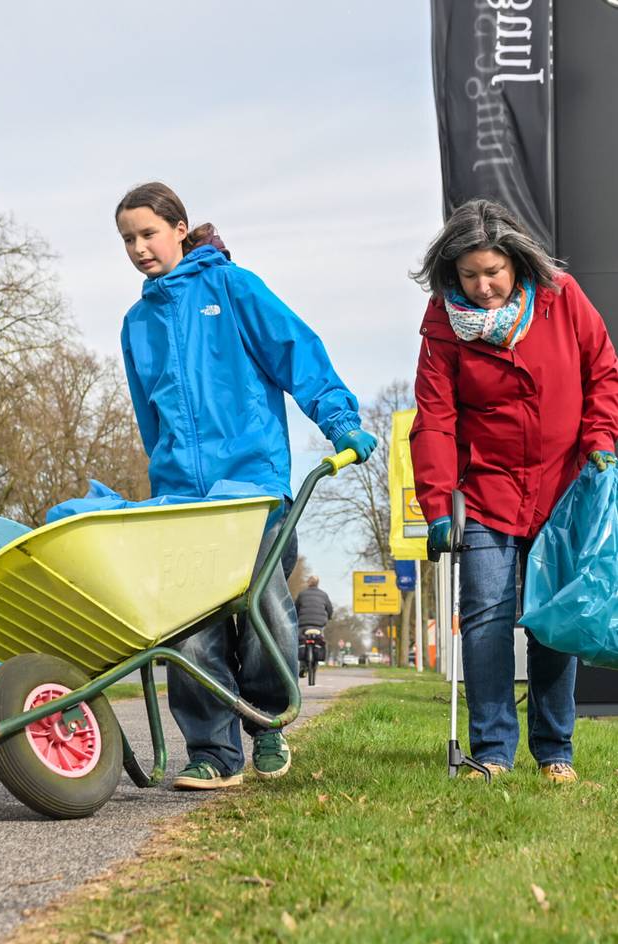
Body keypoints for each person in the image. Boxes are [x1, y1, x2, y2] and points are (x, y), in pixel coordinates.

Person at [115, 182, 377, 790]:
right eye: (127, 239)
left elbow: (297, 354)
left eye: (148, 233)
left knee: (261, 607)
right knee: (190, 623)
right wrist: (165, 475)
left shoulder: (233, 289)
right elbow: (149, 416)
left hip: (252, 486)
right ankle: (212, 751)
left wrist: (340, 422)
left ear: (180, 229)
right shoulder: (137, 323)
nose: (138, 247)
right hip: (181, 499)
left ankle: (266, 722)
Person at [409, 198, 618, 783]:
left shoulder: (560, 297)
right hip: (487, 491)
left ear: (516, 263)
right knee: (485, 616)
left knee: (553, 619)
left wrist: (600, 438)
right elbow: (435, 418)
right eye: (468, 275)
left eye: (493, 272)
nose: (483, 287)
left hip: (562, 488)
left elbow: (602, 370)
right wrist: (437, 505)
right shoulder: (443, 325)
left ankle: (555, 751)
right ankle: (493, 749)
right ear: (451, 274)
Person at [295, 575, 332, 669]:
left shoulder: (302, 594)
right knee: (320, 639)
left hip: (303, 624)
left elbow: (295, 608)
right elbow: (329, 609)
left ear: (308, 583)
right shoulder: (324, 595)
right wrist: (329, 617)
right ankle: (317, 659)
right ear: (318, 583)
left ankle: (302, 664)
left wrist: (296, 617)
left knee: (300, 641)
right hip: (319, 624)